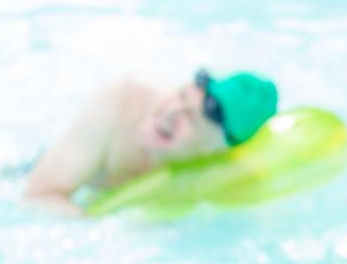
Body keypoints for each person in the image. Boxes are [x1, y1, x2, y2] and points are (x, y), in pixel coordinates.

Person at [21, 69, 277, 212]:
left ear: (218, 149)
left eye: (190, 118)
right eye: (180, 96)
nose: (170, 113)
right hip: (34, 174)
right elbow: (39, 196)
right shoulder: (120, 103)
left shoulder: (228, 176)